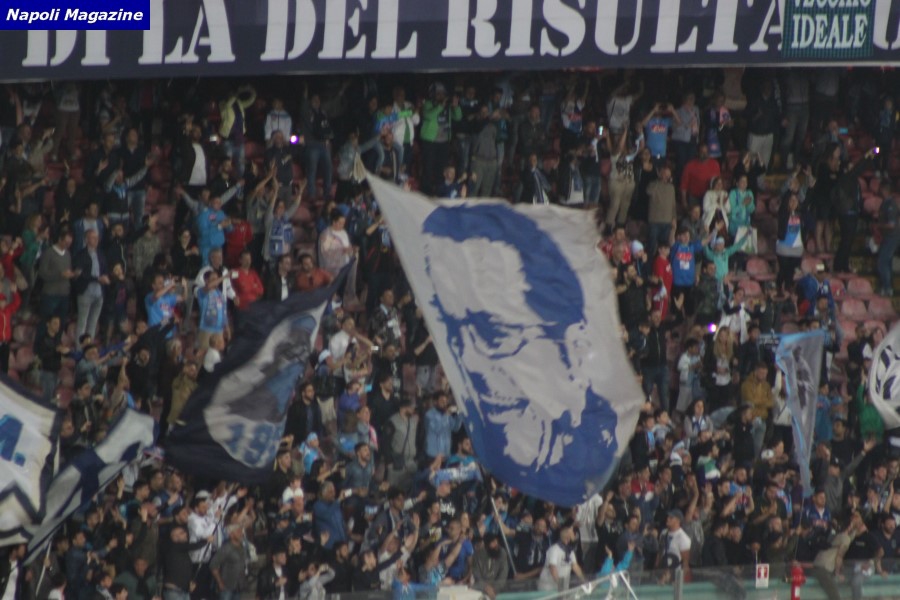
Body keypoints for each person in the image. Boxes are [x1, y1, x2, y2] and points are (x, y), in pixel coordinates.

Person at [538, 523, 585, 592]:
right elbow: (553, 568)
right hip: (548, 587)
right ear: (567, 537)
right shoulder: (554, 549)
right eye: (572, 536)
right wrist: (560, 586)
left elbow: (575, 566)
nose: (574, 538)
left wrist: (584, 581)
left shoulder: (570, 551)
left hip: (562, 587)